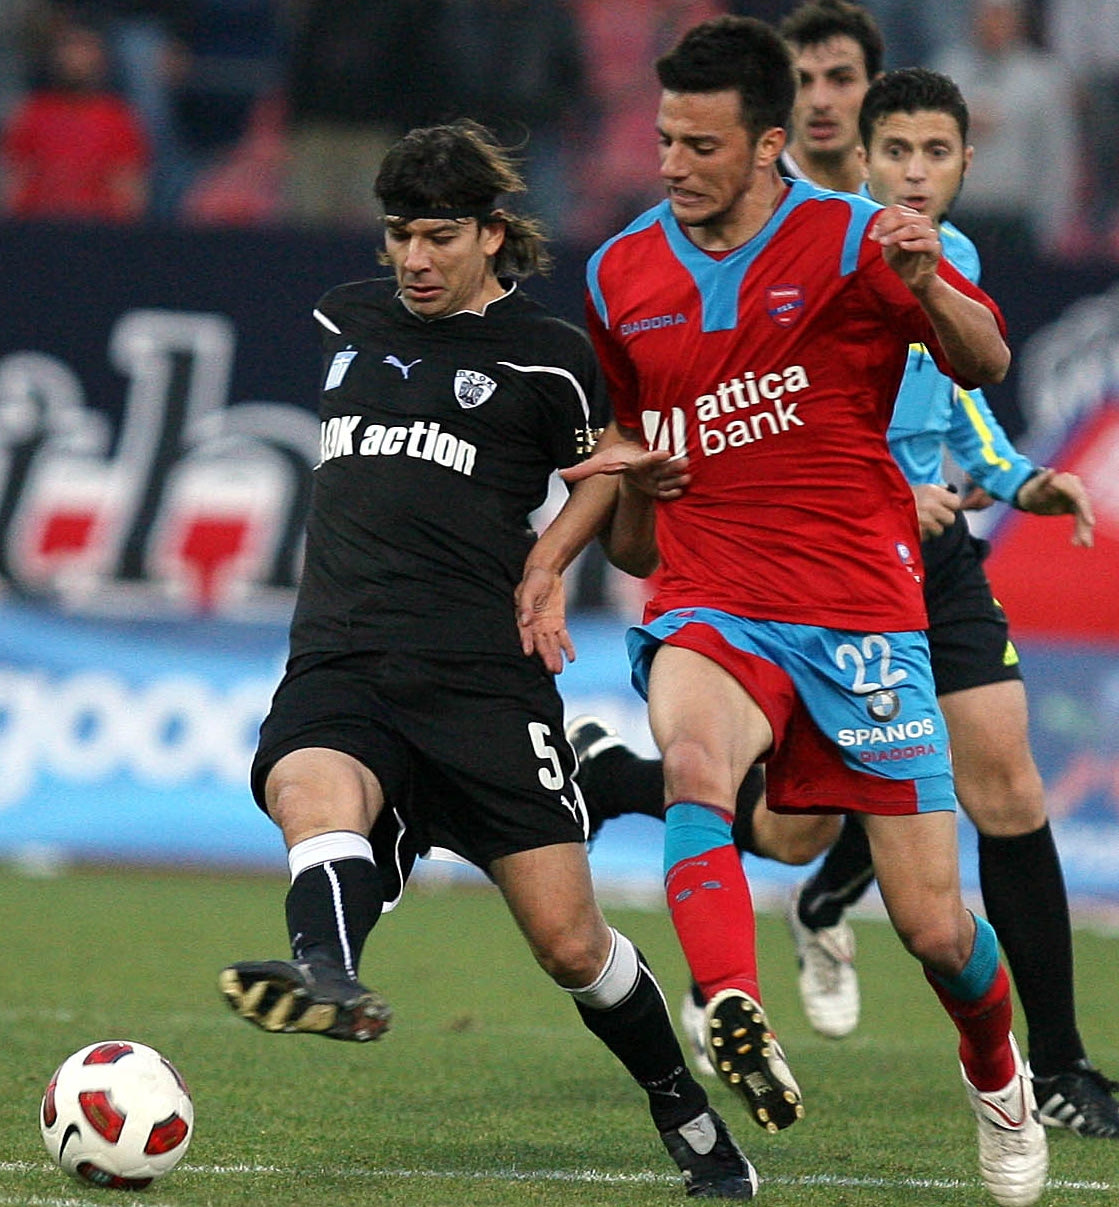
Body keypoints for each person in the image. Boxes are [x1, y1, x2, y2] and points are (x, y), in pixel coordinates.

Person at [517, 17, 1048, 1205]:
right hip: (713, 593)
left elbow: (987, 359)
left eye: (700, 145)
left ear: (768, 145)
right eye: (665, 138)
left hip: (862, 607)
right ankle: (730, 999)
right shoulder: (621, 272)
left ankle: (997, 1070)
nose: (671, 164)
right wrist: (585, 533)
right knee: (694, 761)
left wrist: (928, 281)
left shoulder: (860, 238)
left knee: (934, 926)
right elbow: (627, 474)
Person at [216, 120, 759, 1200]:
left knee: (568, 944)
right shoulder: (346, 317)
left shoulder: (548, 355)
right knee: (308, 789)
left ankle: (682, 1106)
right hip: (343, 655)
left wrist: (548, 562)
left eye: (438, 236)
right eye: (399, 234)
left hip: (482, 680)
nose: (414, 259)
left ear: (491, 233)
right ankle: (329, 974)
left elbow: (605, 468)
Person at [0, 15, 149, 222]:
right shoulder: (30, 113)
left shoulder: (119, 119)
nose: (75, 58)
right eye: (69, 47)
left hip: (98, 228)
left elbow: (129, 192)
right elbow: (13, 183)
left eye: (85, 48)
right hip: (36, 227)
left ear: (101, 58)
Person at [777, 0, 883, 192]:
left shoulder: (901, 195)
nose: (820, 102)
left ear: (876, 91)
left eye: (842, 80)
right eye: (802, 81)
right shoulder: (753, 195)